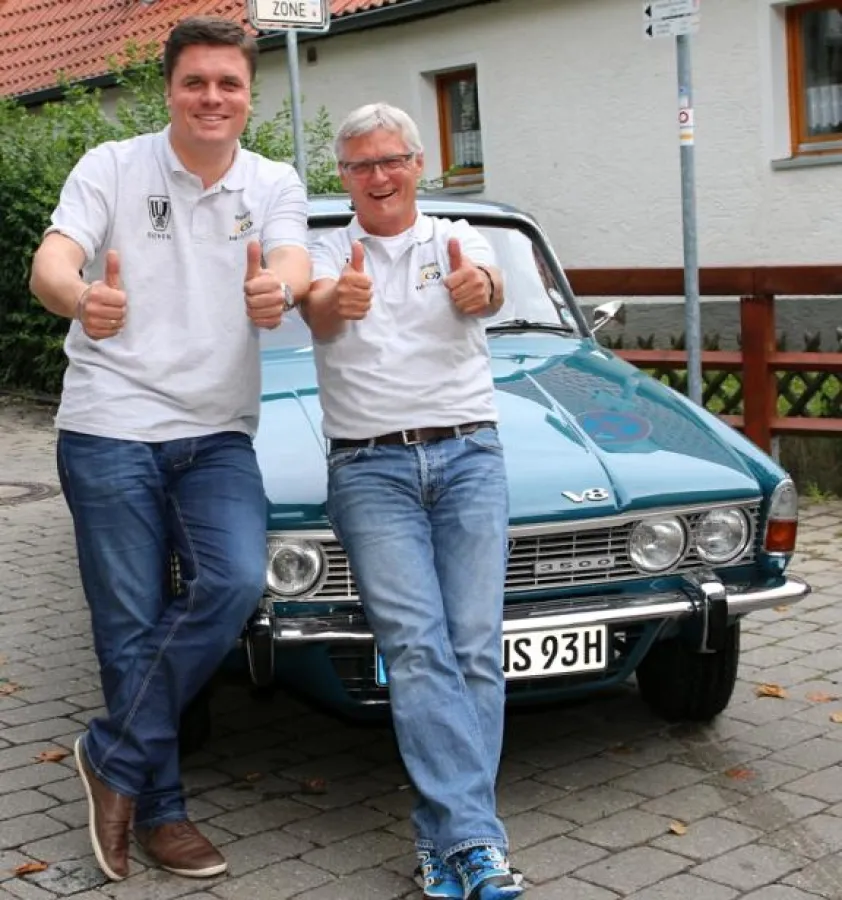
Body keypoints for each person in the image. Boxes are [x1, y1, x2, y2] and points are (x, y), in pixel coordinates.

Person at [28, 16, 310, 883]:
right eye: (196, 82)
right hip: (109, 424)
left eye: (229, 83)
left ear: (250, 95)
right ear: (169, 90)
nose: (212, 98)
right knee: (128, 625)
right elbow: (51, 262)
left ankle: (109, 753)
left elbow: (294, 262)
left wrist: (278, 288)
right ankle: (161, 810)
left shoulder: (272, 180)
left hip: (216, 431)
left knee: (234, 581)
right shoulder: (112, 165)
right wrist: (80, 297)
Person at [302, 103, 523, 900]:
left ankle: (446, 842)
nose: (379, 176)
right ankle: (476, 843)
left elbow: (490, 287)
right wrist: (336, 302)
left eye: (392, 159)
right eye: (361, 164)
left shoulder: (460, 237)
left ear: (418, 164)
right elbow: (314, 303)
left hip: (470, 456)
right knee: (418, 648)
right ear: (344, 176)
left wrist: (480, 285)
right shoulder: (325, 248)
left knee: (475, 648)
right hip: (370, 469)